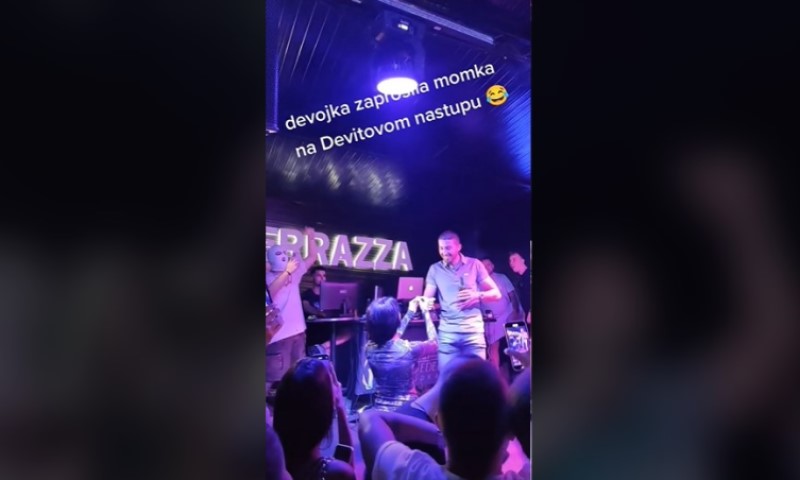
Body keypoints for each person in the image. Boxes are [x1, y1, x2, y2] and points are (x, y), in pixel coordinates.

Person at [359, 358, 527, 480]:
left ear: (438, 421)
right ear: (511, 429)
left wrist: (443, 434)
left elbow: (371, 419)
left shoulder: (414, 473)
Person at [423, 231, 501, 368]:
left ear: (459, 247)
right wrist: (426, 303)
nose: (444, 252)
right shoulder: (435, 269)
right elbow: (427, 299)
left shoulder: (474, 264)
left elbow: (496, 294)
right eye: (441, 248)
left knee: (477, 378)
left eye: (448, 248)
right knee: (447, 378)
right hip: (447, 335)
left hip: (473, 334)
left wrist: (476, 295)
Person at [273, 357, 355, 480]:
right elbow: (347, 469)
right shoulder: (335, 473)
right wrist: (340, 407)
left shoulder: (271, 460)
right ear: (323, 412)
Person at [266, 227, 319, 402]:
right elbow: (270, 293)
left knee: (298, 379)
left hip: (298, 335)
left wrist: (310, 237)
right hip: (278, 337)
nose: (282, 256)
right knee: (273, 380)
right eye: (278, 253)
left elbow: (312, 257)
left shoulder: (294, 274)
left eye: (284, 253)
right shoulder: (268, 277)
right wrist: (287, 272)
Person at [365, 296, 438, 412]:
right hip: (407, 411)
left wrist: (410, 312)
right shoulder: (409, 349)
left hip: (380, 411)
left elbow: (391, 336)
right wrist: (425, 312)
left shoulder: (368, 349)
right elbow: (435, 343)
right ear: (397, 319)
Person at [480, 258, 522, 382]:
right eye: (483, 265)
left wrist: (516, 311)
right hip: (491, 320)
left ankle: (521, 376)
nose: (486, 267)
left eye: (488, 264)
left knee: (517, 345)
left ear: (492, 265)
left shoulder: (502, 277)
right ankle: (496, 378)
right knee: (493, 347)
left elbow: (512, 294)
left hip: (508, 314)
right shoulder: (478, 281)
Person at [302, 266, 353, 357]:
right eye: (319, 275)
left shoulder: (331, 295)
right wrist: (318, 312)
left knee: (349, 332)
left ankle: (322, 347)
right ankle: (322, 348)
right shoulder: (306, 294)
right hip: (314, 330)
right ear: (312, 277)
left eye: (324, 276)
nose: (322, 278)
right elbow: (307, 307)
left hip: (329, 328)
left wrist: (348, 307)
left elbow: (337, 309)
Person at [508, 251, 530, 322]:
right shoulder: (520, 279)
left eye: (514, 259)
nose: (511, 263)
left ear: (523, 260)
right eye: (510, 261)